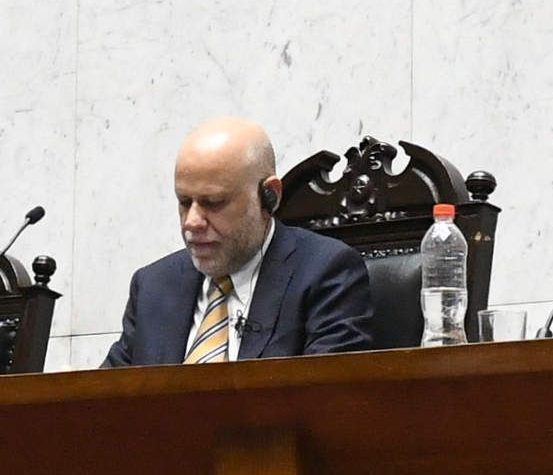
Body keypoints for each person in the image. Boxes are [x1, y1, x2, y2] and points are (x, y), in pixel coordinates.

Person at [105, 118, 374, 364]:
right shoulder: (153, 286)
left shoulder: (327, 273)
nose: (192, 222)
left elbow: (326, 400)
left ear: (270, 196)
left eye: (214, 203)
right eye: (185, 202)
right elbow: (107, 401)